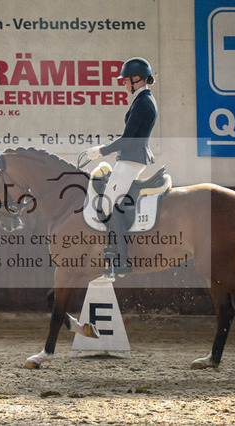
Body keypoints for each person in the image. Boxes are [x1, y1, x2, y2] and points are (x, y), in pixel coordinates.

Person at [85, 57, 157, 275]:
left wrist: (101, 151)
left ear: (137, 78)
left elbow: (128, 139)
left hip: (131, 158)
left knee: (108, 204)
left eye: (126, 80)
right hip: (131, 157)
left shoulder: (143, 103)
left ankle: (122, 259)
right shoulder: (142, 99)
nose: (124, 84)